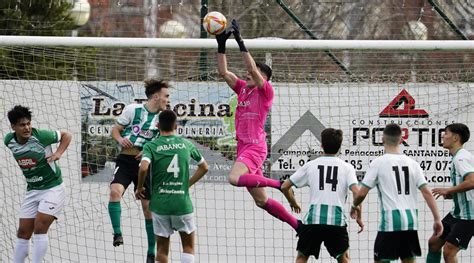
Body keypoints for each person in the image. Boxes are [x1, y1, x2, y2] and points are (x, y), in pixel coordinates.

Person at [215, 19, 301, 231]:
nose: (247, 74)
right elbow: (224, 72)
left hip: (255, 146)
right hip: (243, 147)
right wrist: (221, 45)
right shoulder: (243, 88)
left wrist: (240, 41)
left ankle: (281, 185)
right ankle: (298, 226)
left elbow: (251, 68)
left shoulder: (266, 92)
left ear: (265, 78)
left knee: (234, 178)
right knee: (261, 201)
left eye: (254, 74)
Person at [351, 123, 443, 263]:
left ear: (382, 140)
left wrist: (354, 206)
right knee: (408, 259)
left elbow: (362, 194)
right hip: (410, 222)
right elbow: (427, 192)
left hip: (390, 223)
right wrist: (437, 219)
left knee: (380, 259)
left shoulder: (378, 163)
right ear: (401, 140)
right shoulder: (413, 164)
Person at [107, 79, 170, 262]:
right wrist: (120, 140)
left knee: (147, 209)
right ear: (156, 96)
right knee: (114, 192)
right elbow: (115, 130)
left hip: (146, 163)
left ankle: (151, 253)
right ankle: (117, 234)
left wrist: (149, 149)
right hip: (126, 160)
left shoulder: (164, 118)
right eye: (166, 96)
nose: (168, 100)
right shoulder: (132, 109)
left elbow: (164, 141)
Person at [135, 109, 209, 263]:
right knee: (188, 247)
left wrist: (140, 187)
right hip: (182, 203)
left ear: (157, 125)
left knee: (162, 251)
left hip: (160, 206)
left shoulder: (151, 145)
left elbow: (143, 167)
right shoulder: (186, 144)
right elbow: (205, 167)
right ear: (176, 126)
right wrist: (187, 184)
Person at [281, 128, 364, 263]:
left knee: (302, 258)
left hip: (313, 221)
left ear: (321, 145)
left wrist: (293, 202)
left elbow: (285, 186)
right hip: (336, 222)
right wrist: (358, 214)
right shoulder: (347, 167)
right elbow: (357, 192)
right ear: (340, 147)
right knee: (344, 258)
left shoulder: (310, 165)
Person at [5, 105, 72, 263]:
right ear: (13, 127)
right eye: (22, 125)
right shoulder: (9, 141)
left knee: (40, 227)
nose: (27, 127)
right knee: (22, 232)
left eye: (28, 123)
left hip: (53, 188)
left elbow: (66, 135)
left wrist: (58, 153)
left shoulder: (41, 136)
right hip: (33, 190)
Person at [427, 123, 474, 263]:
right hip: (457, 214)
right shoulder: (458, 157)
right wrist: (452, 194)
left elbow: (472, 181)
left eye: (446, 133)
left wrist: (448, 190)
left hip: (469, 216)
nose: (442, 135)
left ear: (455, 138)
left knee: (449, 251)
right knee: (434, 243)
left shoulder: (461, 158)